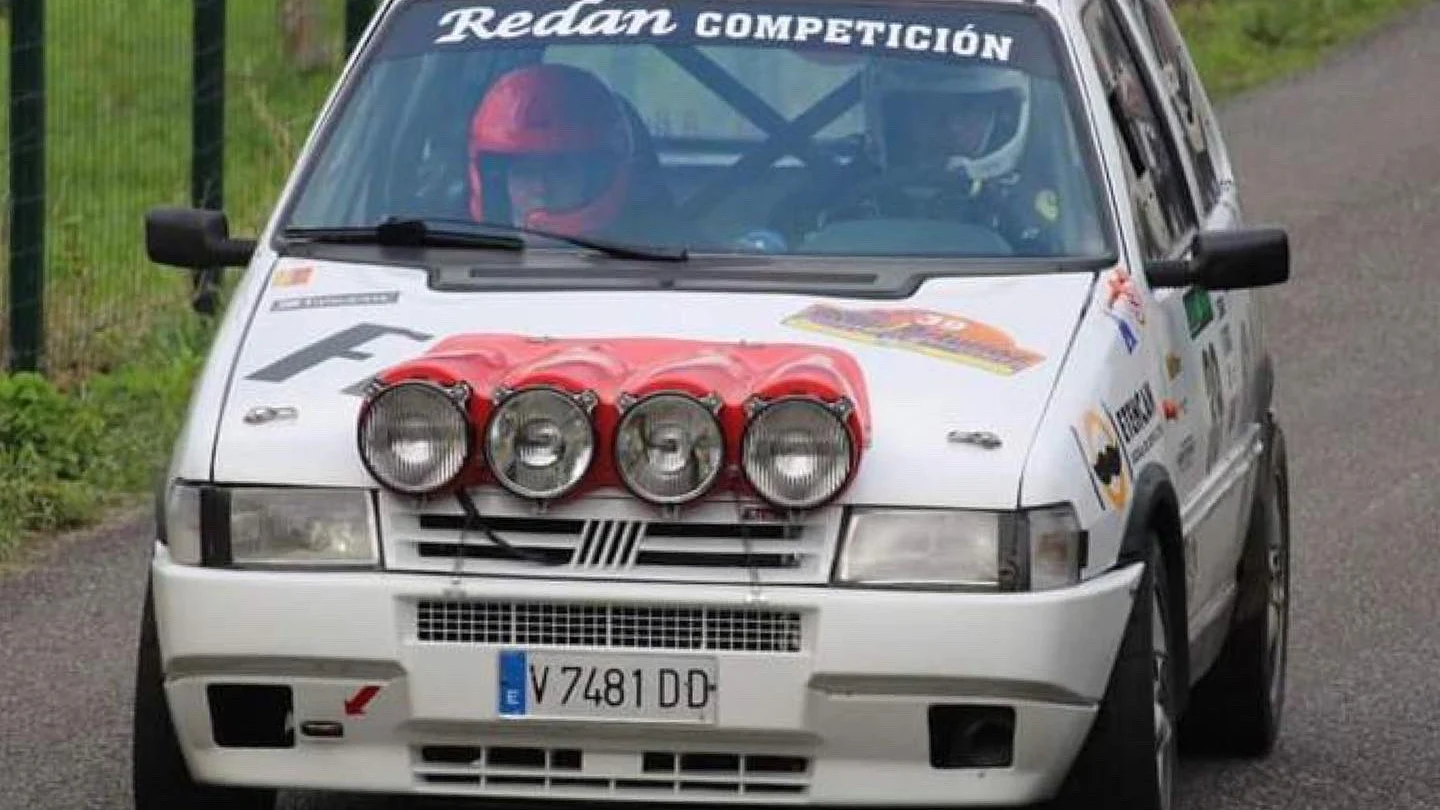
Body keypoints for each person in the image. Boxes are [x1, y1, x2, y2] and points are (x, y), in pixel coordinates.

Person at [467, 63, 652, 241]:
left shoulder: (652, 244)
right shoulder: (458, 242)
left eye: (558, 169)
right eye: (525, 172)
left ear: (596, 176)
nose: (541, 188)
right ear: (498, 181)